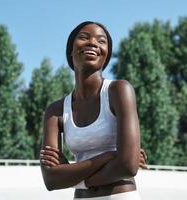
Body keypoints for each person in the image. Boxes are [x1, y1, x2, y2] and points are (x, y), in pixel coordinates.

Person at [40, 21, 147, 200]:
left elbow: (128, 166)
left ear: (106, 55)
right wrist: (109, 156)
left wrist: (75, 177)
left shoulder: (119, 91)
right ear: (71, 51)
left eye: (101, 41)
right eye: (83, 37)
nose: (92, 43)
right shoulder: (55, 111)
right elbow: (51, 179)